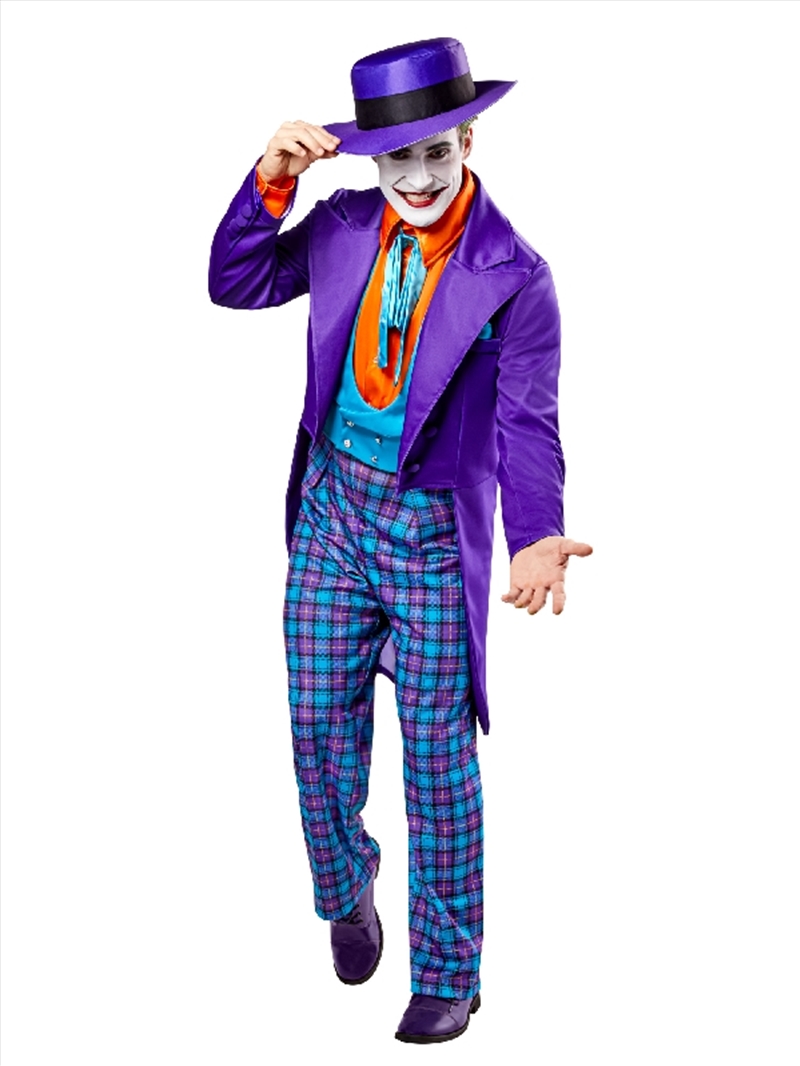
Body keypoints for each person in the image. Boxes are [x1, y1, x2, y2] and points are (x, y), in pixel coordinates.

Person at [208, 37, 592, 1044]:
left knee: (437, 764)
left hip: (429, 535)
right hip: (332, 511)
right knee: (315, 731)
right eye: (396, 158)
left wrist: (537, 533)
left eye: (436, 153)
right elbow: (236, 282)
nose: (416, 178)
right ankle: (347, 887)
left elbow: (527, 422)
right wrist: (271, 181)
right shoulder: (340, 226)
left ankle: (449, 975)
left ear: (469, 143)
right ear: (372, 159)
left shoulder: (517, 277)